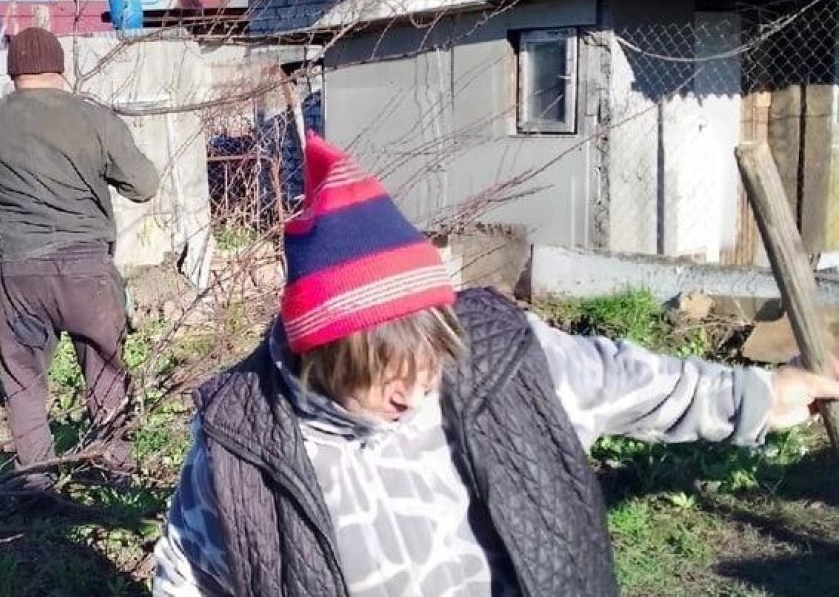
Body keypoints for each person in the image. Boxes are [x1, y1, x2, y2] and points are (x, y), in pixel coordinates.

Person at [152, 132, 839, 596]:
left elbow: (630, 383)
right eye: (382, 374)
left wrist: (759, 396)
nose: (414, 389)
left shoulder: (497, 356)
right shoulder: (244, 440)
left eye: (428, 360)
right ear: (321, 357)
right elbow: (188, 574)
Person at [0, 27, 159, 487]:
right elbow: (144, 185)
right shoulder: (93, 119)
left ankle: (36, 484)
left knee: (23, 382)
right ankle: (115, 474)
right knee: (105, 374)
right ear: (59, 67)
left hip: (19, 274)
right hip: (86, 272)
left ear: (13, 71)